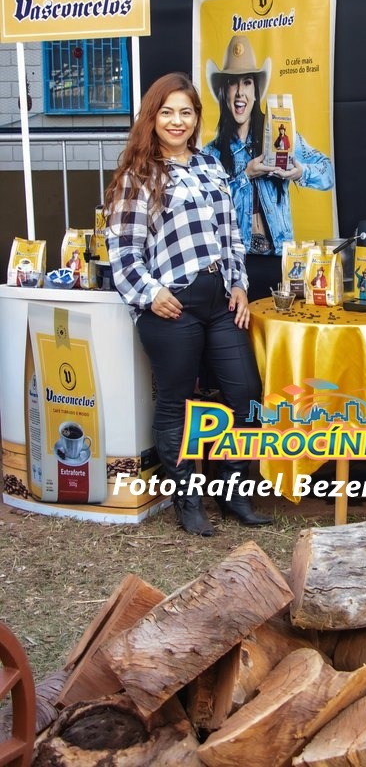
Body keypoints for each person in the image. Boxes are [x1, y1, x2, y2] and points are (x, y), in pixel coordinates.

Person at [105, 72, 272, 536]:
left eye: (186, 112)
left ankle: (233, 492)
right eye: (167, 112)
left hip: (220, 300)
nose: (177, 121)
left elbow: (231, 235)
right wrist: (150, 293)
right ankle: (188, 501)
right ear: (152, 117)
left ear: (197, 118)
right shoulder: (138, 176)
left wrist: (239, 285)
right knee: (176, 403)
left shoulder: (210, 165)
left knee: (246, 395)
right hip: (170, 304)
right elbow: (122, 253)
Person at [204, 35, 334, 255]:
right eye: (232, 83)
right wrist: (245, 176)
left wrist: (300, 173)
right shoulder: (211, 154)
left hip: (278, 257)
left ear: (256, 93)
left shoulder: (279, 137)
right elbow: (207, 211)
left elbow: (328, 173)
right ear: (224, 93)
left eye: (247, 82)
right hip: (235, 262)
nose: (240, 92)